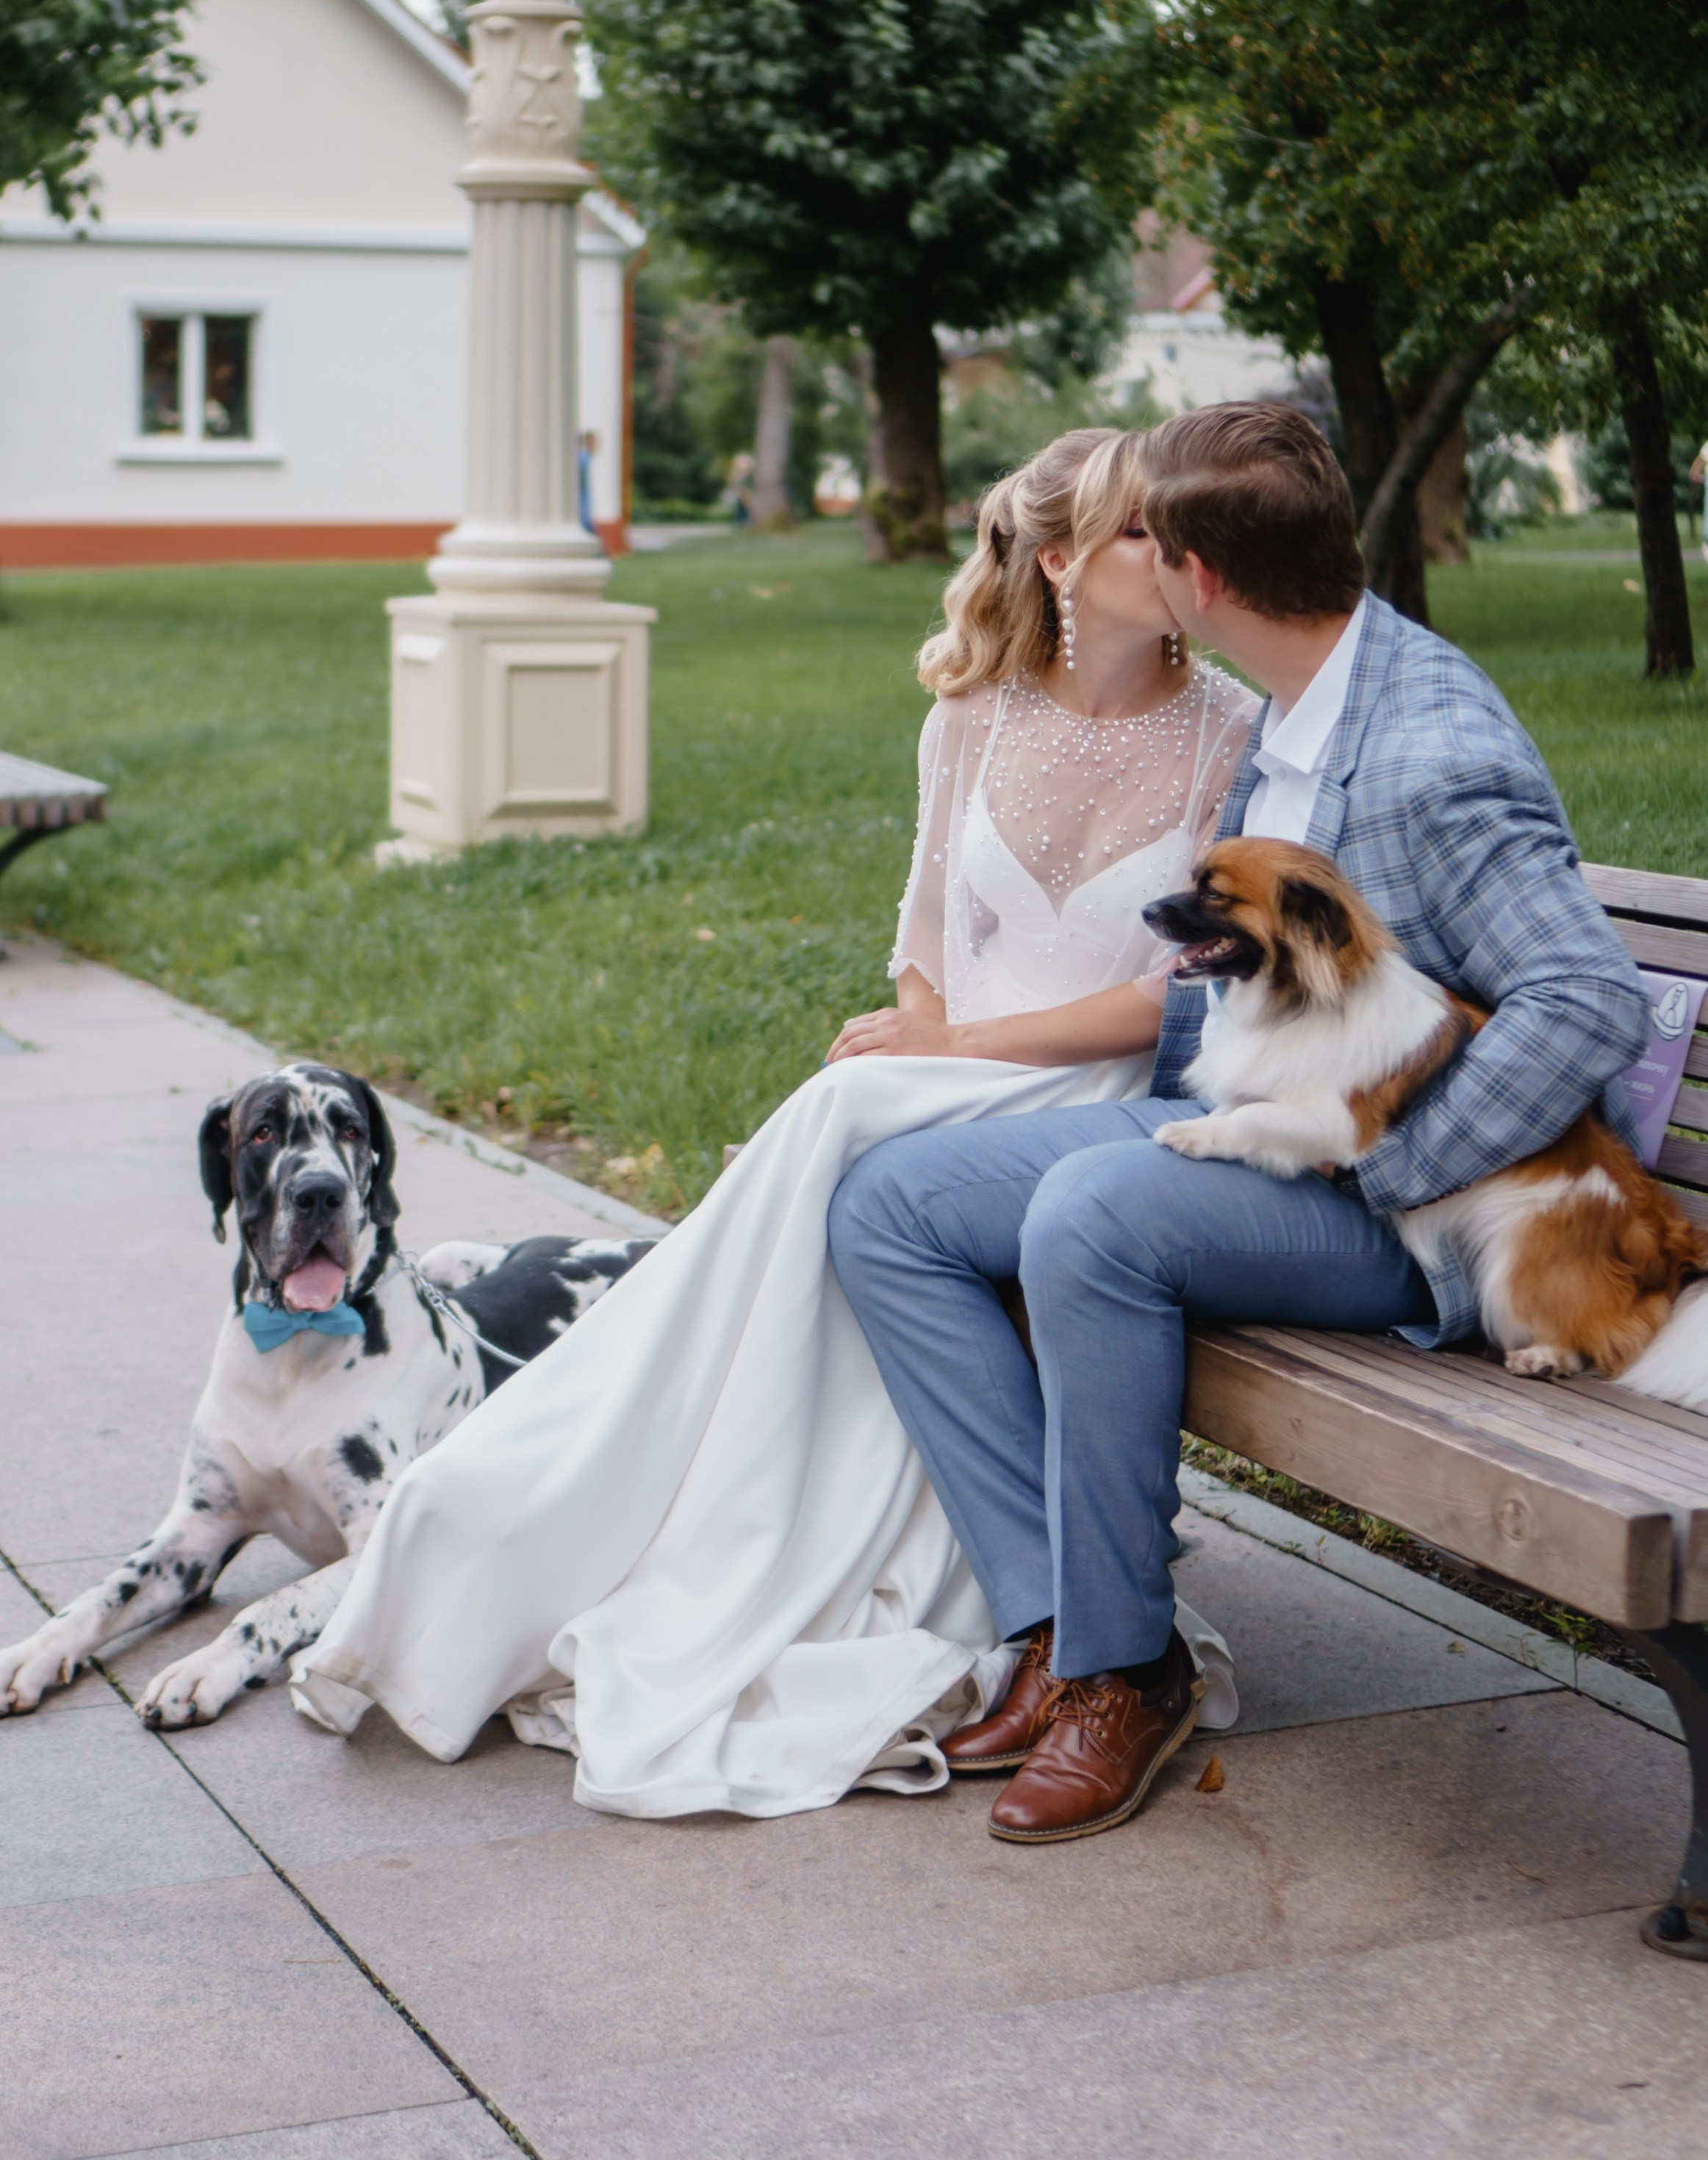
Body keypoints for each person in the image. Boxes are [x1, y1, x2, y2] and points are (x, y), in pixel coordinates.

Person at [289, 428, 1258, 1817]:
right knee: (857, 1115)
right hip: (942, 1073)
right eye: (1135, 537)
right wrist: (933, 1032)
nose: (1173, 560)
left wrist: (950, 1046)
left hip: (1093, 1098)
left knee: (845, 1109)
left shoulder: (1229, 733)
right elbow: (921, 944)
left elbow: (1179, 1000)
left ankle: (624, 1401)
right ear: (1057, 562)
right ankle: (568, 1494)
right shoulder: (969, 716)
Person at [830, 401, 1654, 1845]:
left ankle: (1112, 1676)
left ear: (1201, 579)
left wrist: (1396, 1159)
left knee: (1095, 1214)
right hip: (1245, 1135)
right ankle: (1059, 1623)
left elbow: (1587, 1000)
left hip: (1403, 1216)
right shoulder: (1297, 698)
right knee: (887, 1204)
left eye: (1147, 530)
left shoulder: (1426, 743)